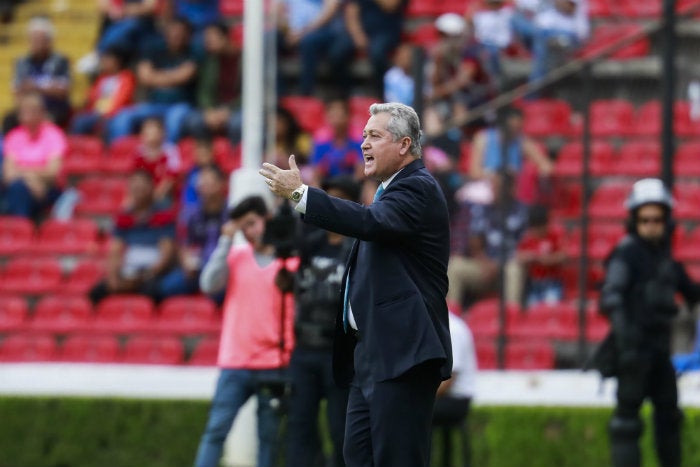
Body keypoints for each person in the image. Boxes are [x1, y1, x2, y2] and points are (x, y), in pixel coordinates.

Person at [260, 102, 452, 467]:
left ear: (404, 145)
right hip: (372, 353)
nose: (363, 144)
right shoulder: (388, 193)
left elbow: (369, 223)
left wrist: (302, 195)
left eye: (375, 136)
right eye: (363, 135)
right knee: (357, 458)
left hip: (402, 353)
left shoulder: (418, 188)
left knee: (397, 459)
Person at [597, 178, 700, 467]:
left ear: (667, 221)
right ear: (634, 220)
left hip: (659, 349)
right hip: (633, 349)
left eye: (657, 219)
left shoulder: (667, 261)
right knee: (626, 422)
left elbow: (692, 293)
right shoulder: (626, 254)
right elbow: (611, 298)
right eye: (645, 219)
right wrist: (626, 341)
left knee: (669, 417)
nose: (651, 225)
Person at [193, 195, 298, 467]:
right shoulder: (236, 256)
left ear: (267, 219)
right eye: (244, 227)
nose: (250, 232)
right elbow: (208, 284)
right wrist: (225, 242)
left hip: (274, 361)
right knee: (216, 431)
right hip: (236, 361)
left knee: (270, 438)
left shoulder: (290, 261)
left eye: (252, 223)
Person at [285, 176, 359, 467]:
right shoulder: (309, 243)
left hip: (339, 353)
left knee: (341, 430)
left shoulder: (359, 247)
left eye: (339, 200)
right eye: (327, 200)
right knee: (299, 427)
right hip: (304, 349)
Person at [89, 170, 178, 304]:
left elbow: (166, 252)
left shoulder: (163, 216)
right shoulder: (124, 217)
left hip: (151, 273)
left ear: (152, 188)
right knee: (96, 293)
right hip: (128, 271)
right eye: (134, 186)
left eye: (142, 186)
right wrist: (113, 277)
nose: (138, 190)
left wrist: (145, 276)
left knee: (153, 293)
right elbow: (115, 250)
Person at [107, 17, 196, 143]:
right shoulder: (153, 49)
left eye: (180, 32)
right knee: (123, 117)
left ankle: (168, 156)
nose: (176, 35)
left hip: (180, 106)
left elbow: (186, 75)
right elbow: (144, 77)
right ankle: (121, 154)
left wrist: (156, 76)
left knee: (174, 120)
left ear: (187, 35)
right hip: (153, 104)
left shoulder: (194, 52)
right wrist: (173, 77)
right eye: (173, 31)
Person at [448, 171, 529, 309]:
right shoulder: (483, 210)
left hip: (508, 267)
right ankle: (450, 317)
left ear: (510, 188)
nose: (493, 190)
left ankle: (511, 316)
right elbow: (475, 243)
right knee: (454, 266)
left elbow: (526, 247)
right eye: (493, 186)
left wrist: (499, 264)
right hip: (486, 267)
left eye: (498, 187)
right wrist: (486, 262)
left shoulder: (522, 211)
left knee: (513, 269)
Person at [163, 165, 228, 301]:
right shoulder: (189, 213)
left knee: (219, 292)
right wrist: (185, 261)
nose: (203, 185)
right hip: (196, 267)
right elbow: (183, 242)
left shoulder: (231, 213)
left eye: (208, 182)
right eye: (201, 182)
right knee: (165, 287)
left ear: (220, 184)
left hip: (222, 268)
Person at [2, 92, 66, 219]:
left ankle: (19, 230)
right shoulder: (14, 136)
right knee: (18, 189)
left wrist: (23, 173)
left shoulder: (54, 134)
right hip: (27, 187)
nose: (27, 114)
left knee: (17, 191)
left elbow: (52, 172)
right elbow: (8, 174)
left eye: (32, 110)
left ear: (41, 113)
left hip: (47, 189)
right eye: (24, 111)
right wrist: (31, 181)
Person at [468, 107, 552, 204]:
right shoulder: (483, 138)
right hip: (487, 183)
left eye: (517, 128)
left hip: (513, 184)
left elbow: (545, 164)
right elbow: (474, 172)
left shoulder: (522, 141)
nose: (513, 131)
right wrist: (493, 177)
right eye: (511, 127)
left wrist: (539, 173)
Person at [4, 16, 71, 132]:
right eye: (32, 39)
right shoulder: (22, 62)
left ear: (48, 41)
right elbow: (16, 90)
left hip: (52, 110)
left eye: (39, 40)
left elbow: (63, 91)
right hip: (27, 109)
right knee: (9, 119)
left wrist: (36, 87)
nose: (35, 44)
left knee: (49, 121)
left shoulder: (60, 61)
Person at [334, 0, 408, 98]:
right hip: (363, 29)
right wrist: (358, 35)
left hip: (387, 30)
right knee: (337, 53)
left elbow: (390, 5)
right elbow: (351, 12)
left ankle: (381, 95)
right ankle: (346, 94)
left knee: (377, 54)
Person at [432, 308, 477, 467]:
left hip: (456, 400)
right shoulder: (444, 324)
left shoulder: (453, 329)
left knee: (411, 411)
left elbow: (448, 380)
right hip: (446, 398)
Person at [184, 22, 242, 143]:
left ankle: (235, 158)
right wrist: (209, 111)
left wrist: (228, 111)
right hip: (214, 109)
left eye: (211, 39)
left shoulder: (245, 59)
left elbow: (250, 94)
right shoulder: (210, 61)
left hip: (238, 109)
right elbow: (204, 91)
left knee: (238, 124)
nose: (207, 44)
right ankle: (205, 158)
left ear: (226, 37)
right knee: (194, 121)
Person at [276, 0, 345, 96]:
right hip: (290, 32)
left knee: (308, 42)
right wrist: (287, 30)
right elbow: (276, 11)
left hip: (321, 30)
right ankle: (278, 94)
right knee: (268, 40)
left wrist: (302, 33)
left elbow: (330, 11)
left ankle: (306, 93)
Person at [70, 48, 136, 136]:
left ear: (117, 61)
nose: (104, 62)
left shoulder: (126, 77)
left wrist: (106, 114)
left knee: (112, 125)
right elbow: (91, 98)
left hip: (116, 114)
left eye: (107, 59)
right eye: (103, 59)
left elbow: (122, 99)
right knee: (79, 121)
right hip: (96, 113)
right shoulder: (101, 78)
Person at [515, 204, 567, 307]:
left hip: (552, 282)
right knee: (533, 309)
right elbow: (519, 256)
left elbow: (563, 255)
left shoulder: (554, 235)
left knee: (550, 307)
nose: (536, 232)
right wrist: (528, 257)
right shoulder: (527, 238)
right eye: (534, 229)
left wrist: (546, 260)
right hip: (534, 283)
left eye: (539, 228)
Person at [310, 98, 364, 184]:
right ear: (326, 117)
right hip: (328, 182)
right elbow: (316, 172)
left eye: (340, 116)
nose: (336, 121)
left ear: (348, 117)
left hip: (354, 182)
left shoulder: (359, 138)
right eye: (332, 116)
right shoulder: (320, 140)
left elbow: (361, 172)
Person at [129, 117, 182, 206]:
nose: (150, 134)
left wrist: (154, 196)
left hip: (164, 195)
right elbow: (135, 177)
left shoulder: (170, 151)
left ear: (162, 133)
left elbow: (171, 179)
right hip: (142, 195)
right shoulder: (138, 153)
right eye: (147, 131)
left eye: (154, 131)